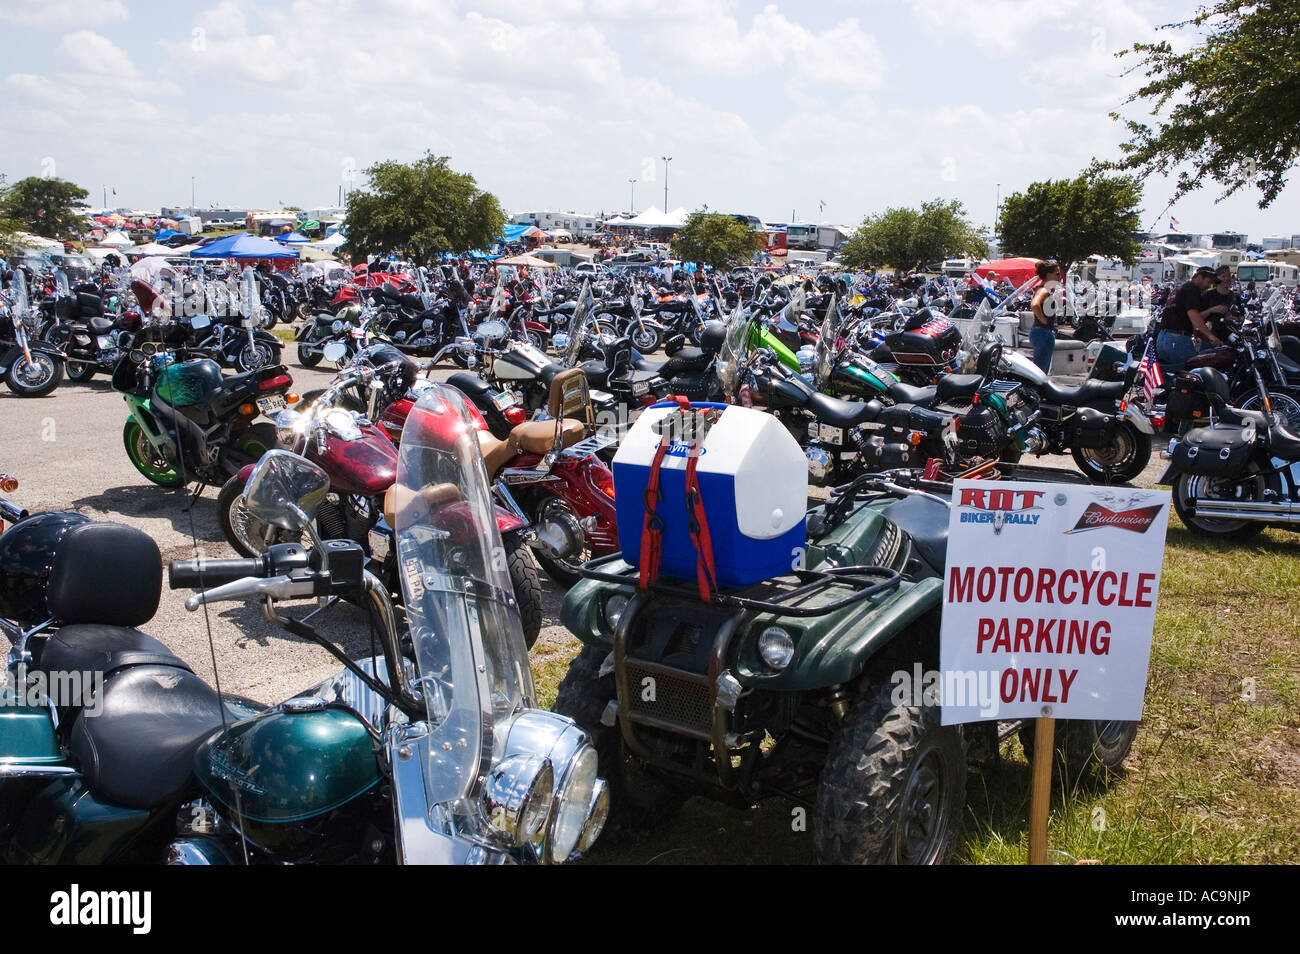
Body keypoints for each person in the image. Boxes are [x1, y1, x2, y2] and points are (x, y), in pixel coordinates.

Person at [1157, 267, 1223, 375]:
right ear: (1200, 277)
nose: (1208, 286)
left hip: (1163, 338)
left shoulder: (1179, 288)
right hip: (1177, 340)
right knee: (1192, 375)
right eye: (1208, 282)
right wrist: (1211, 336)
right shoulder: (1192, 289)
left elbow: (1187, 321)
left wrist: (1207, 338)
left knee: (1171, 377)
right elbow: (1193, 314)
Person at [1029, 260, 1062, 373]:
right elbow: (1034, 304)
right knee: (1040, 373)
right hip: (1044, 333)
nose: (1059, 276)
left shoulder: (1043, 289)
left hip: (1041, 333)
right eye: (1057, 273)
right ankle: (1036, 391)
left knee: (1040, 370)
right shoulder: (1043, 290)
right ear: (1048, 274)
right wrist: (1043, 320)